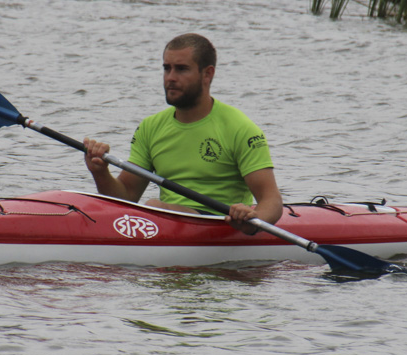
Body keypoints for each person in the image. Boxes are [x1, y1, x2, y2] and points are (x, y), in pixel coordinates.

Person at [83, 33, 282, 235]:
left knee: (153, 206)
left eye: (181, 69)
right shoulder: (151, 127)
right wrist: (100, 172)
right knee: (153, 208)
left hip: (222, 223)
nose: (170, 77)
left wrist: (253, 220)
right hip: (169, 221)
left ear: (207, 74)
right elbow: (127, 196)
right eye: (166, 68)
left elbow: (272, 201)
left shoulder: (240, 128)